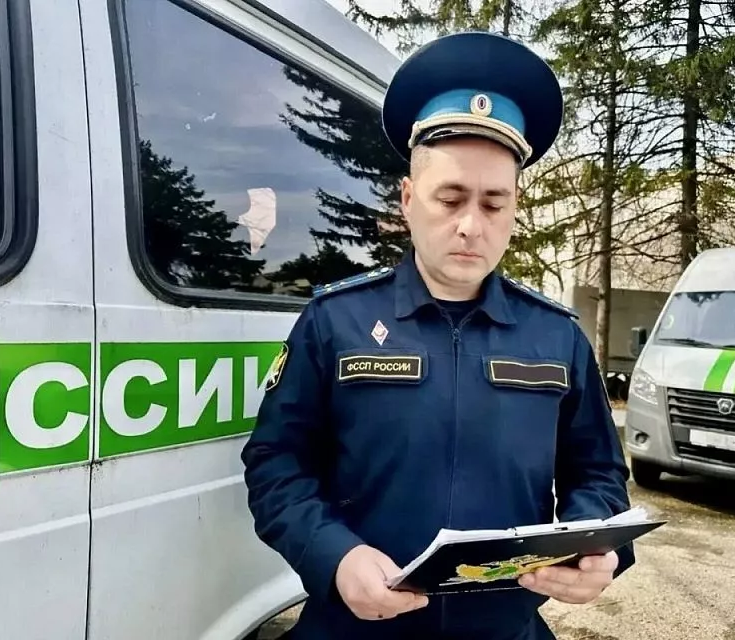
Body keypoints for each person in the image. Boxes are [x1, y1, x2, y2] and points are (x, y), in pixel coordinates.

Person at [241, 30, 634, 640]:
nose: (471, 225)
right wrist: (334, 555)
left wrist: (594, 545)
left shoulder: (557, 337)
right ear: (407, 200)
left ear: (515, 207)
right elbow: (276, 464)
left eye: (494, 204)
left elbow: (599, 474)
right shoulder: (335, 320)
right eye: (450, 199)